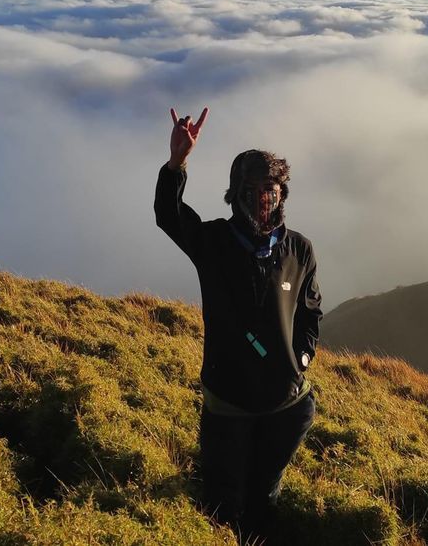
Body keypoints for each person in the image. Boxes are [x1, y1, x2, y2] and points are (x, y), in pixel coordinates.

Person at [154, 106, 321, 542]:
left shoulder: (299, 250)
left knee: (265, 495)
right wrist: (177, 163)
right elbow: (169, 216)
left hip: (287, 405)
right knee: (222, 501)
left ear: (283, 193)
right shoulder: (214, 243)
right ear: (235, 194)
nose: (264, 199)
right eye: (252, 190)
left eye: (272, 189)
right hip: (228, 404)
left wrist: (300, 359)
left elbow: (310, 311)